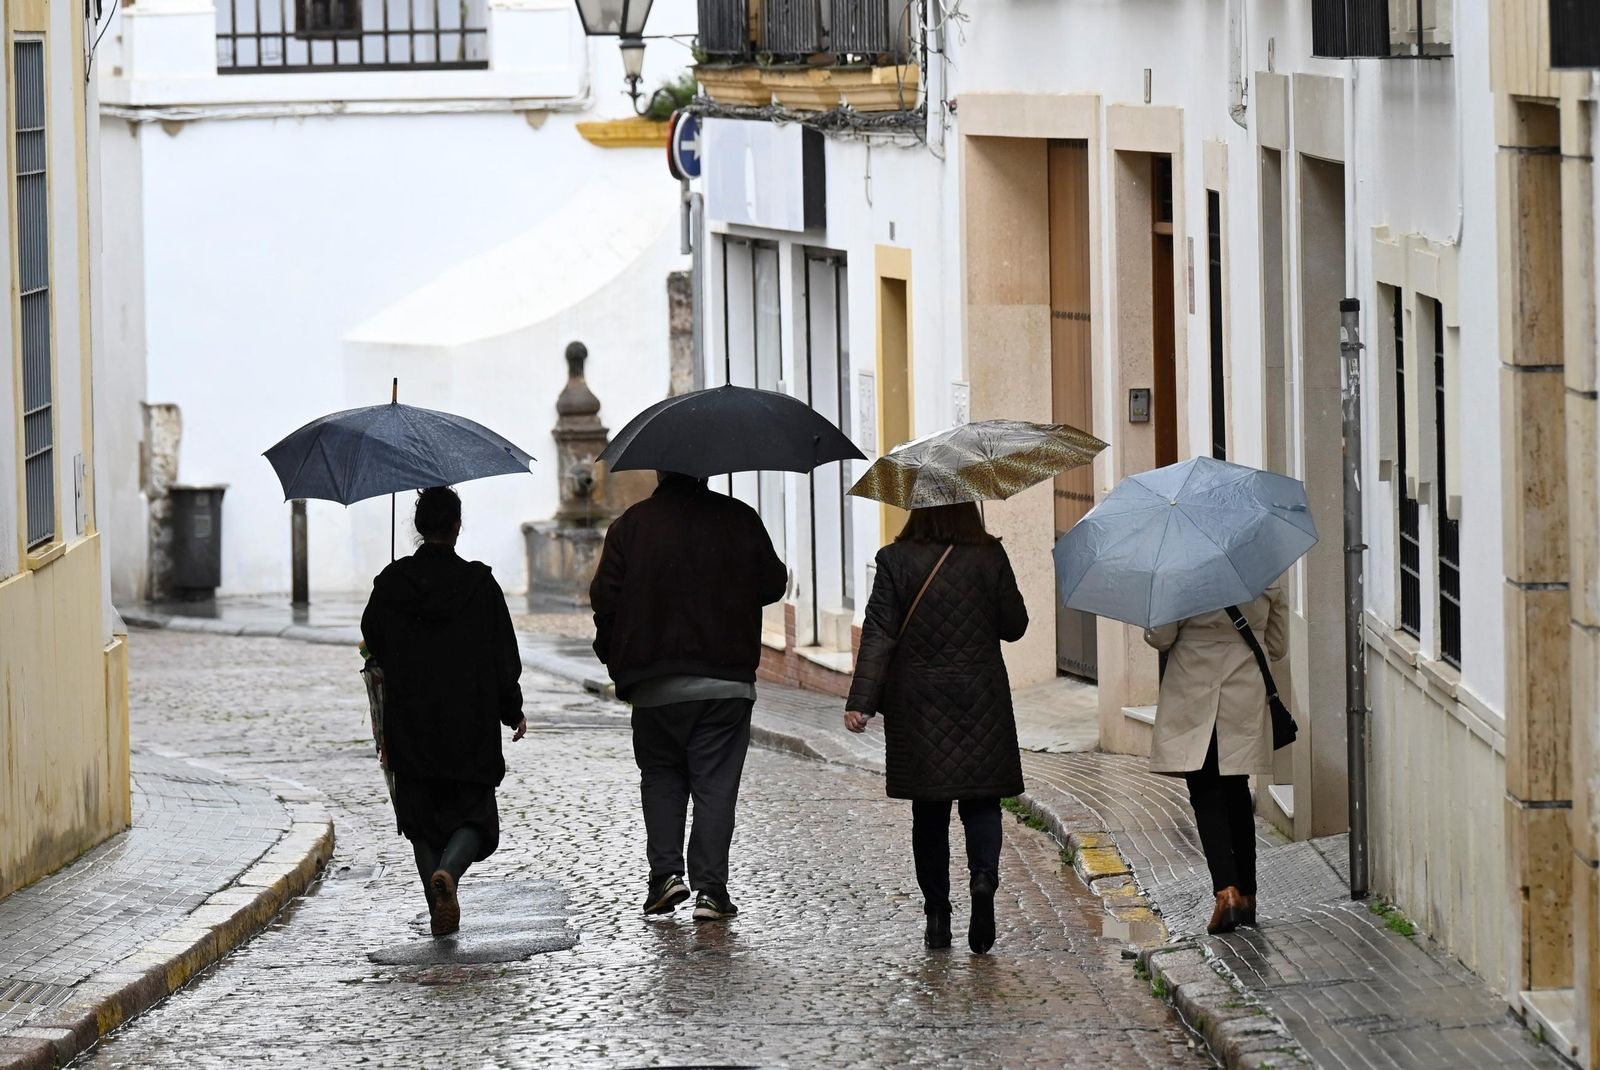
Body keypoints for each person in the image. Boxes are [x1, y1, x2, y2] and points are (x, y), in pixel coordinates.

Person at [590, 471, 787, 922]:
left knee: (661, 776)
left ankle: (664, 877)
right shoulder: (739, 518)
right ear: (705, 471)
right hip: (725, 681)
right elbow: (773, 585)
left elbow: (605, 598)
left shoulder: (630, 526)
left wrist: (615, 654)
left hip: (654, 683)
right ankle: (711, 892)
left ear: (659, 472)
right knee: (715, 785)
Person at [844, 502, 1028, 955]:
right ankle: (983, 880)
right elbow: (1015, 626)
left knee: (929, 814)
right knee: (983, 802)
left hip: (918, 703)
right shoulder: (989, 555)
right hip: (980, 697)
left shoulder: (894, 560)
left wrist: (861, 702)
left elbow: (879, 634)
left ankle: (937, 916)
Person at [360, 486, 527, 938]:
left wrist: (395, 591)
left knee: (421, 825)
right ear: (455, 526)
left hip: (410, 722)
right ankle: (450, 874)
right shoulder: (479, 584)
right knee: (476, 818)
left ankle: (439, 904)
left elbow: (371, 638)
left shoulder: (392, 583)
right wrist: (511, 710)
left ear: (418, 527)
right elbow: (502, 656)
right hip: (468, 723)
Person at [1143, 584, 1287, 935]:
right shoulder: (1264, 572)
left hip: (1195, 688)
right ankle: (1249, 895)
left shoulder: (1182, 575)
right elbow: (1279, 646)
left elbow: (1160, 637)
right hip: (1244, 687)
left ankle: (1227, 892)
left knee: (1206, 790)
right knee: (1236, 788)